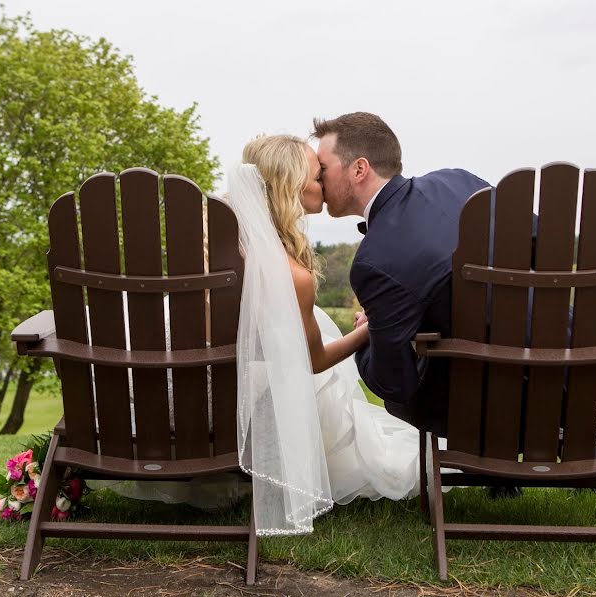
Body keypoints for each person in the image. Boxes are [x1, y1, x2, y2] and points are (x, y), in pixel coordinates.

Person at [99, 135, 424, 535]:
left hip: (164, 401)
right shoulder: (293, 277)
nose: (324, 182)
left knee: (308, 327)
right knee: (315, 347)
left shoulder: (200, 247)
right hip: (230, 411)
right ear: (291, 188)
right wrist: (367, 331)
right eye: (317, 175)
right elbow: (315, 362)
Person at [313, 112, 490, 437]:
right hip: (570, 374)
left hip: (483, 404)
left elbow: (394, 384)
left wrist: (369, 333)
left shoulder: (374, 261)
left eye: (322, 169)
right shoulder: (460, 181)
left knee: (401, 400)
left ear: (359, 169)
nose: (317, 178)